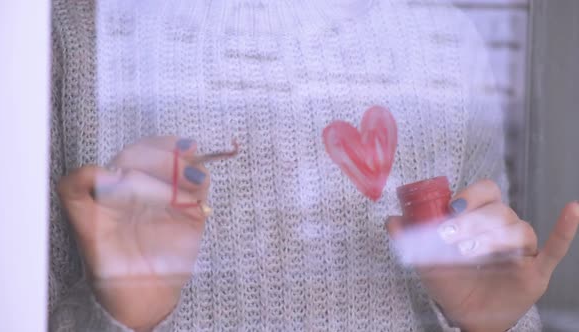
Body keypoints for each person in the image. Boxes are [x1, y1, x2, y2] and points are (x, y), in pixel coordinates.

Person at [48, 0, 579, 331]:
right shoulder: (63, 37)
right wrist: (121, 320)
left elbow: (492, 296)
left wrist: (487, 325)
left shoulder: (447, 44)